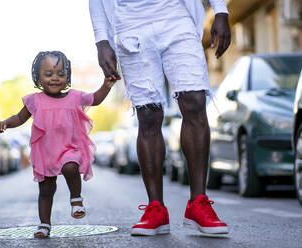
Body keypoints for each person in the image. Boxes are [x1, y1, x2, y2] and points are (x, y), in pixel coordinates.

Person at [89, 0, 231, 235]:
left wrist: (221, 11)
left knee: (195, 101)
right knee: (148, 115)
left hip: (176, 15)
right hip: (130, 22)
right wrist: (101, 39)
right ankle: (156, 209)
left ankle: (198, 203)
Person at [0, 51, 116, 238]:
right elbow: (19, 118)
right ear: (38, 76)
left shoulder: (75, 97)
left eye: (61, 73)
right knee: (46, 190)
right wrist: (5, 123)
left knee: (70, 167)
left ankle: (76, 200)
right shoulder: (34, 100)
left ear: (68, 76)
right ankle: (44, 225)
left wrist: (106, 85)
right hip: (46, 152)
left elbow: (95, 99)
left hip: (69, 148)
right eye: (48, 74)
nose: (55, 78)